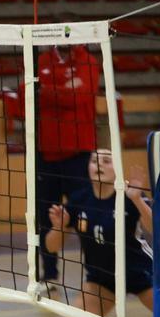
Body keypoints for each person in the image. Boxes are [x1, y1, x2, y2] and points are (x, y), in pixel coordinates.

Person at [44, 149, 154, 317]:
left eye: (106, 160)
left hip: (143, 275)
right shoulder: (79, 199)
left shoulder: (128, 197)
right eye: (94, 161)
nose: (99, 165)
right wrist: (59, 227)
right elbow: (51, 246)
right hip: (102, 280)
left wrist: (138, 200)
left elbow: (157, 228)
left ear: (117, 168)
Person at [32, 38, 100, 289]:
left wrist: (47, 89)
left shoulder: (89, 62)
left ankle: (95, 274)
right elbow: (28, 94)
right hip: (46, 153)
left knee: (85, 217)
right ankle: (49, 275)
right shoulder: (41, 60)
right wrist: (64, 88)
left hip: (78, 155)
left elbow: (78, 98)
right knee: (45, 218)